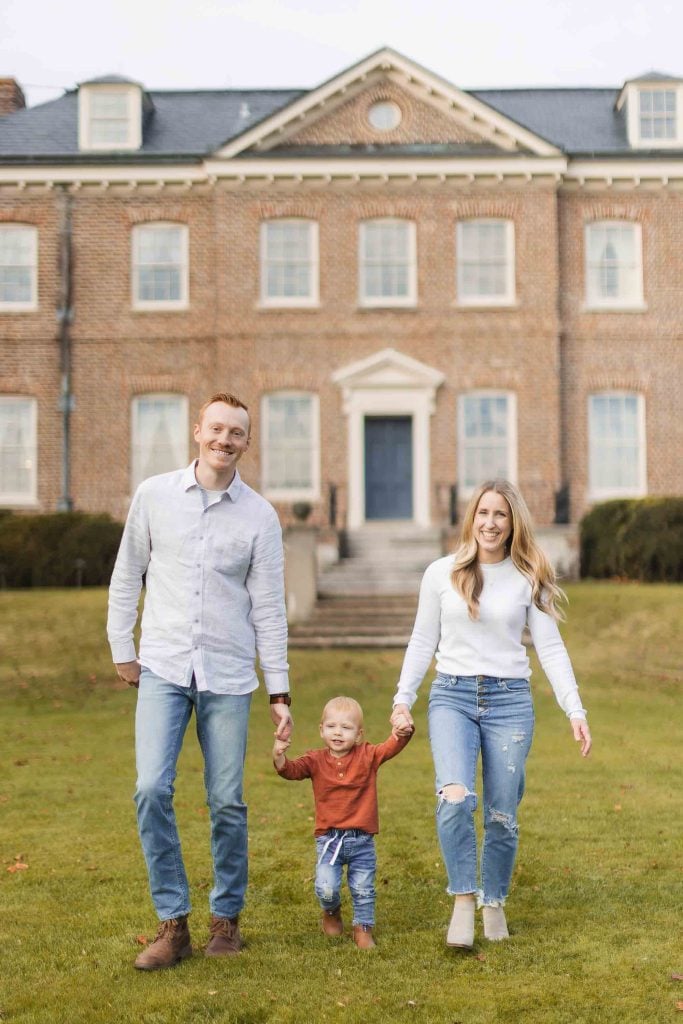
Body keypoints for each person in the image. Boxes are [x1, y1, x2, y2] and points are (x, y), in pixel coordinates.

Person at [107, 392, 292, 970]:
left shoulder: (260, 516)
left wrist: (279, 691)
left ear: (246, 442)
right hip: (162, 664)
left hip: (229, 674)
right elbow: (126, 573)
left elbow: (268, 610)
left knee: (226, 801)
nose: (224, 440)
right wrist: (122, 647)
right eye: (216, 429)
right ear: (197, 431)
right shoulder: (154, 496)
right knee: (150, 789)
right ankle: (171, 923)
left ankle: (226, 921)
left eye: (235, 433)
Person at [390, 479, 591, 949]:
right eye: (483, 513)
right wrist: (403, 698)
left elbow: (550, 647)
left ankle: (494, 901)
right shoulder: (441, 573)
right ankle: (463, 900)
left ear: (513, 521)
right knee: (455, 797)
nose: (490, 523)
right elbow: (423, 640)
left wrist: (574, 708)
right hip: (452, 697)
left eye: (500, 514)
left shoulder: (528, 577)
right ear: (471, 518)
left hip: (510, 701)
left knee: (501, 814)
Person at [273, 696, 413, 949]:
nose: (338, 733)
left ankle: (363, 928)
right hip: (329, 840)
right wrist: (279, 754)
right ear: (321, 729)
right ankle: (331, 911)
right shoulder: (315, 760)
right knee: (326, 888)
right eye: (332, 727)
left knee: (363, 888)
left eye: (346, 728)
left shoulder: (368, 755)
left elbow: (390, 747)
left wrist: (402, 732)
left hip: (362, 839)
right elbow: (289, 771)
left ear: (359, 734)